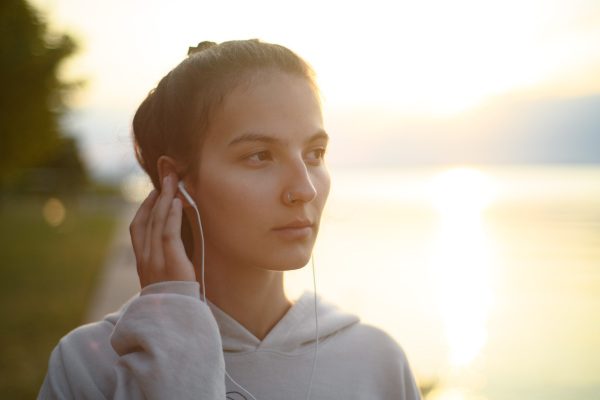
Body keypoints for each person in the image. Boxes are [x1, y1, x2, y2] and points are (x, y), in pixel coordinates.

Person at [38, 39, 422, 400]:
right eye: (260, 155)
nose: (304, 189)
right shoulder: (89, 367)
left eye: (315, 152)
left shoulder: (378, 362)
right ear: (177, 182)